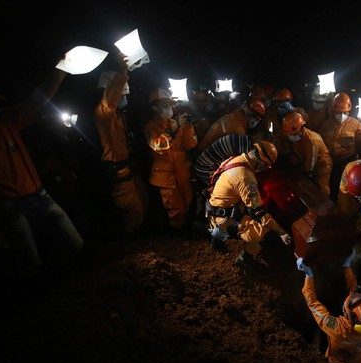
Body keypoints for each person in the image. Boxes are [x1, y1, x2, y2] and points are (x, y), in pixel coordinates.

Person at [0, 59, 83, 281]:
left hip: (40, 196)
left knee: (76, 245)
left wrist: (61, 68)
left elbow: (37, 100)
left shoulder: (6, 120)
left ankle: (71, 286)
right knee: (31, 265)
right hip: (10, 209)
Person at [205, 141, 292, 266]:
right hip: (223, 217)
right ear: (260, 160)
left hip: (215, 206)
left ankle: (218, 234)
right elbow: (259, 212)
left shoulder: (237, 159)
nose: (264, 169)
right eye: (265, 166)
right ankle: (245, 260)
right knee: (262, 230)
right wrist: (281, 232)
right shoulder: (245, 176)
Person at [297, 257, 361, 363]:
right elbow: (355, 295)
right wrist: (347, 267)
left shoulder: (336, 327)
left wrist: (309, 275)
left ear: (350, 317)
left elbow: (313, 304)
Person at [94, 53, 148, 234]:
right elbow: (110, 99)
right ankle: (130, 246)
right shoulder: (103, 114)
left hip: (128, 169)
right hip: (119, 172)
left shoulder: (118, 116)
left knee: (143, 200)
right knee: (134, 209)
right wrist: (123, 69)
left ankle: (139, 236)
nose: (125, 99)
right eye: (122, 95)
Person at [144, 88, 197, 233]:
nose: (170, 108)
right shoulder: (150, 127)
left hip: (182, 172)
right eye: (165, 105)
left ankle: (190, 230)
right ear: (155, 108)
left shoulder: (175, 122)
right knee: (176, 209)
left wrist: (188, 127)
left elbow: (190, 144)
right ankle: (178, 234)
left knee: (189, 202)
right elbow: (159, 145)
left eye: (170, 105)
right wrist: (174, 130)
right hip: (166, 176)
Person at [319, 93, 361, 200]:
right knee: (332, 187)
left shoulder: (356, 125)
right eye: (338, 112)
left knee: (346, 190)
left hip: (347, 162)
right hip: (331, 161)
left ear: (349, 109)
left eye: (344, 112)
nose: (341, 115)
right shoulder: (325, 125)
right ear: (333, 110)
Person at [281, 111, 332, 195]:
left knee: (322, 187)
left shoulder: (312, 141)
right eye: (289, 135)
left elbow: (311, 163)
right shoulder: (296, 135)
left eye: (292, 135)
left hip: (322, 163)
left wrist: (307, 176)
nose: (290, 137)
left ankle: (325, 204)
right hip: (306, 158)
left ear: (300, 128)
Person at [197, 96, 266, 151]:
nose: (256, 122)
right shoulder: (239, 131)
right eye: (257, 119)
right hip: (206, 153)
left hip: (204, 147)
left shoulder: (235, 116)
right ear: (250, 116)